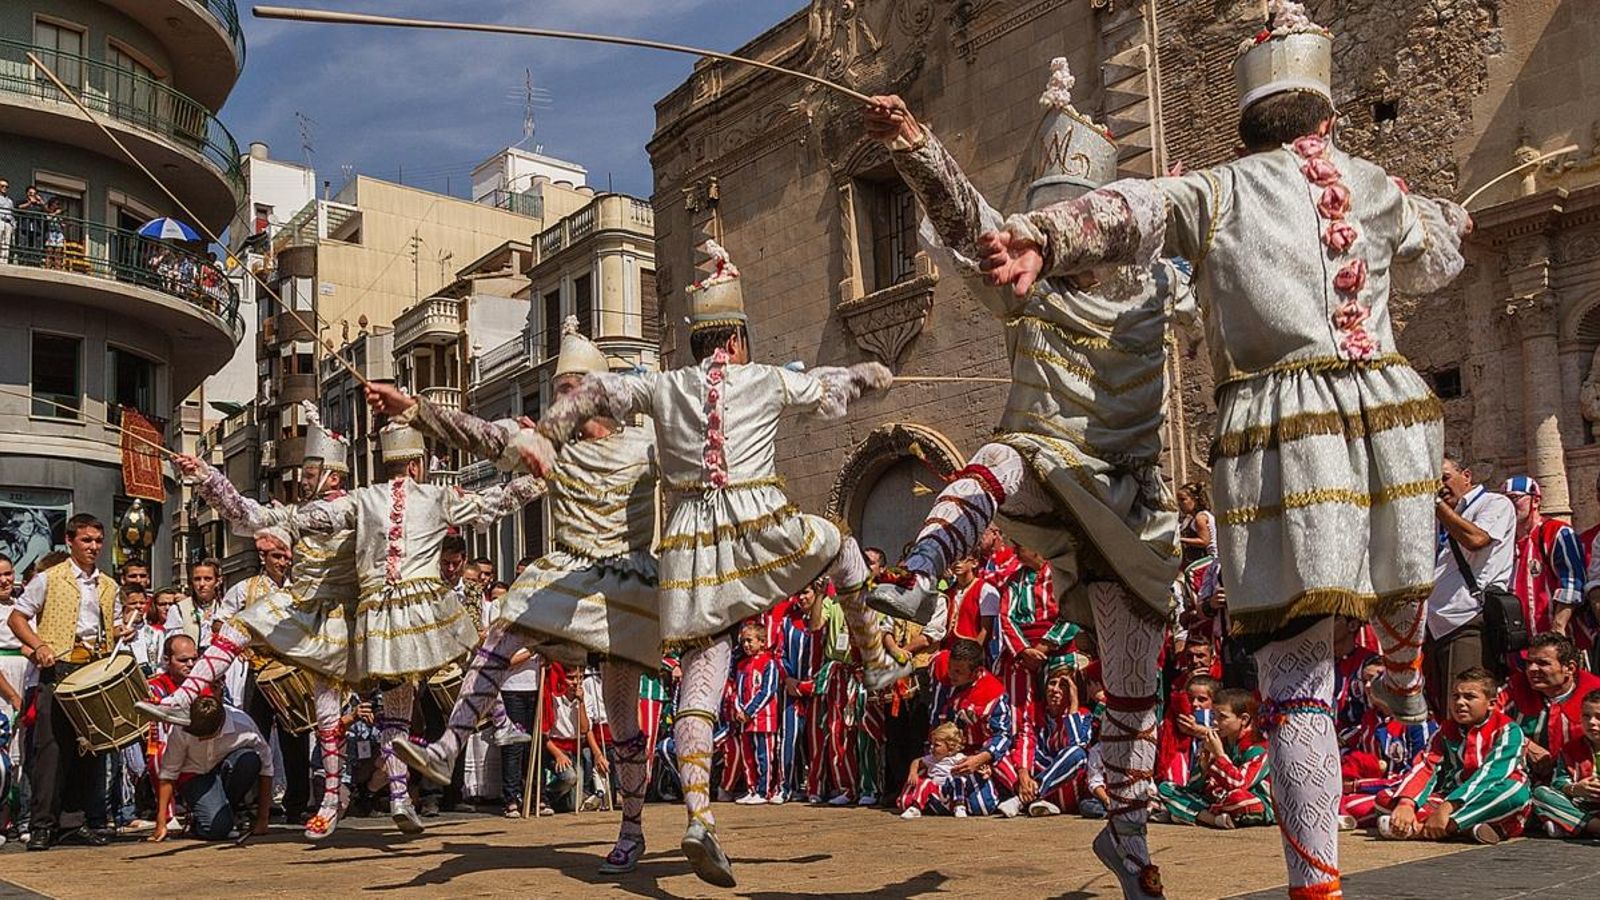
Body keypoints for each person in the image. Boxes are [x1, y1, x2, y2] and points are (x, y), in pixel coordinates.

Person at [972, 4, 1471, 893]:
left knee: (1295, 676)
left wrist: (1045, 235)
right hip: (1395, 423)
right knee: (1392, 585)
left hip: (1290, 437)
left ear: (1247, 125)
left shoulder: (1223, 188)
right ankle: (1401, 680)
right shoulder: (1379, 187)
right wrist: (1452, 228)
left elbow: (1132, 207)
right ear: (1325, 114)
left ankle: (1317, 881)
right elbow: (1437, 260)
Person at [862, 56, 1191, 897]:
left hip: (1133, 505)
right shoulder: (1024, 287)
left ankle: (1129, 837)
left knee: (1133, 688)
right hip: (1050, 467)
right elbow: (972, 219)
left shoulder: (1159, 289)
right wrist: (914, 144)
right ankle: (919, 569)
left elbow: (1222, 272)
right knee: (1010, 450)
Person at [515, 241, 902, 887]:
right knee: (837, 541)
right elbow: (833, 385)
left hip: (690, 550)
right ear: (740, 341)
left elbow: (597, 392)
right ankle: (879, 659)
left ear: (698, 344)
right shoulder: (767, 377)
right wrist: (873, 375)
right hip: (757, 526)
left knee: (701, 682)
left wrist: (542, 431)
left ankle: (699, 815)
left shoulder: (663, 387)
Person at [372, 318, 661, 871]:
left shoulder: (645, 445)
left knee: (623, 722)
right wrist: (412, 408)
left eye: (570, 392)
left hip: (628, 586)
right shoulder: (548, 448)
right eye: (557, 394)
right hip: (572, 578)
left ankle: (632, 827)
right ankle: (446, 748)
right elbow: (481, 433)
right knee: (504, 629)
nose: (562, 404)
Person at [151, 404, 380, 839]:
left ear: (332, 475)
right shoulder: (301, 512)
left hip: (338, 615)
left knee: (328, 711)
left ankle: (333, 797)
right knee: (239, 624)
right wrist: (205, 475)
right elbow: (244, 515)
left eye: (310, 473)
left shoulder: (354, 506)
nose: (302, 479)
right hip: (301, 604)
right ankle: (185, 695)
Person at [7, 513, 126, 851]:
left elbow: (112, 624)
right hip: (58, 669)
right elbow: (18, 617)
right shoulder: (49, 577)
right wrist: (40, 645)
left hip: (93, 669)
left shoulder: (108, 585)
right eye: (87, 540)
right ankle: (42, 824)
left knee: (87, 749)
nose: (94, 547)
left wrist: (122, 631)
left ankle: (74, 821)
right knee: (51, 749)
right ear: (70, 541)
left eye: (98, 541)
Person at [1377, 667, 1530, 844]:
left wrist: (1446, 808)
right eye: (1455, 696)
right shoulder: (1445, 731)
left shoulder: (1508, 730)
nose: (1460, 703)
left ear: (1491, 703)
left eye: (1469, 697)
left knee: (1516, 792)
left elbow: (1490, 775)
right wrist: (1406, 803)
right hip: (1450, 796)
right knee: (1386, 797)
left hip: (1487, 796)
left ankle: (1424, 829)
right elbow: (1426, 766)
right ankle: (1466, 829)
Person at [1424, 454, 1516, 715]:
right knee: (1444, 711)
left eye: (1444, 478)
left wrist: (1436, 503)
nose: (1440, 486)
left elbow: (1476, 539)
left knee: (1465, 711)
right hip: (1437, 626)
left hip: (1468, 621)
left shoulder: (1494, 504)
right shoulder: (1441, 515)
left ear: (1466, 476)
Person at [151, 696, 272, 842]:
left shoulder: (243, 725)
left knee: (249, 759)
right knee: (217, 830)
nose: (200, 740)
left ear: (219, 727)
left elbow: (267, 768)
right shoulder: (181, 727)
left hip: (226, 768)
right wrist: (161, 821)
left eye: (204, 736)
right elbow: (168, 774)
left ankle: (228, 811)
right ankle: (206, 820)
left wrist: (263, 819)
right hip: (193, 775)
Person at [1159, 688, 1273, 829]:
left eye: (1222, 717)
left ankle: (1189, 813)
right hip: (1219, 799)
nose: (1215, 722)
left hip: (1251, 801)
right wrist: (1203, 766)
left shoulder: (1258, 748)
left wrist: (1220, 755)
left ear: (1243, 719)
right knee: (1166, 788)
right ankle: (1213, 819)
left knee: (1236, 797)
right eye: (1214, 715)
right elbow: (1193, 787)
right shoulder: (1222, 741)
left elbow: (1239, 784)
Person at [1501, 632, 1600, 788]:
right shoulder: (1516, 687)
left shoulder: (1595, 692)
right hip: (1524, 780)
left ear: (1570, 668)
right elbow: (1485, 718)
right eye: (1529, 663)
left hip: (1583, 782)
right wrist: (1525, 744)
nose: (1532, 669)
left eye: (1543, 663)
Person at [929, 639, 1015, 817]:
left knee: (980, 807)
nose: (951, 674)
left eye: (958, 672)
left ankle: (1013, 796)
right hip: (951, 755)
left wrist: (980, 759)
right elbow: (936, 723)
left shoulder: (993, 693)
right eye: (951, 668)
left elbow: (1004, 735)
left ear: (976, 672)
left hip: (983, 757)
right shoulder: (944, 680)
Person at [1503, 477, 1587, 639]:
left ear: (1535, 501)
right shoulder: (1503, 541)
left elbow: (1572, 582)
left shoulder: (1556, 532)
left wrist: (1558, 627)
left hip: (1555, 640)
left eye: (1514, 498)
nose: (1508, 505)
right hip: (1516, 643)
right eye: (1504, 500)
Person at [1020, 661, 1096, 817]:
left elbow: (1078, 745)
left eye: (1063, 685)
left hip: (1069, 785)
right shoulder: (1036, 713)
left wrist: (1074, 704)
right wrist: (1024, 774)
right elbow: (1027, 744)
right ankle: (1037, 797)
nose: (1055, 690)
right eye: (1052, 683)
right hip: (1042, 771)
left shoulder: (1084, 714)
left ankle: (1031, 795)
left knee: (1077, 753)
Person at [1530, 688, 1600, 838]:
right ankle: (1592, 826)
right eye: (1586, 716)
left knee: (1551, 823)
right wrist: (1576, 788)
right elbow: (1558, 783)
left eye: (1599, 717)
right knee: (1540, 793)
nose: (1592, 722)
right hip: (1582, 806)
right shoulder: (1570, 749)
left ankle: (1568, 825)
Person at [730, 621, 781, 804]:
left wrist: (749, 711)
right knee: (748, 756)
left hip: (763, 719)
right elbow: (737, 689)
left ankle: (764, 789)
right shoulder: (741, 664)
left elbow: (767, 691)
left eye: (750, 641)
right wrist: (738, 709)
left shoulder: (769, 663)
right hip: (745, 720)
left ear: (761, 641)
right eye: (743, 641)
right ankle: (751, 788)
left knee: (764, 754)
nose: (746, 645)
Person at [898, 722, 969, 818]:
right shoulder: (931, 759)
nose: (932, 747)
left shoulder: (958, 758)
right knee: (925, 782)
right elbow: (917, 761)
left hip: (950, 794)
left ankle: (959, 805)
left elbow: (971, 765)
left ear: (950, 747)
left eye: (937, 745)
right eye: (931, 744)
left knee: (957, 780)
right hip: (935, 794)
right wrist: (913, 772)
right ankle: (916, 807)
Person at [0, 178, 14, 265]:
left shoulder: (10, 201)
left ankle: (4, 261)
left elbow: (12, 213)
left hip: (8, 223)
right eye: (2, 186)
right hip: (0, 221)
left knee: (6, 243)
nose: (4, 188)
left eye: (6, 186)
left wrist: (13, 224)